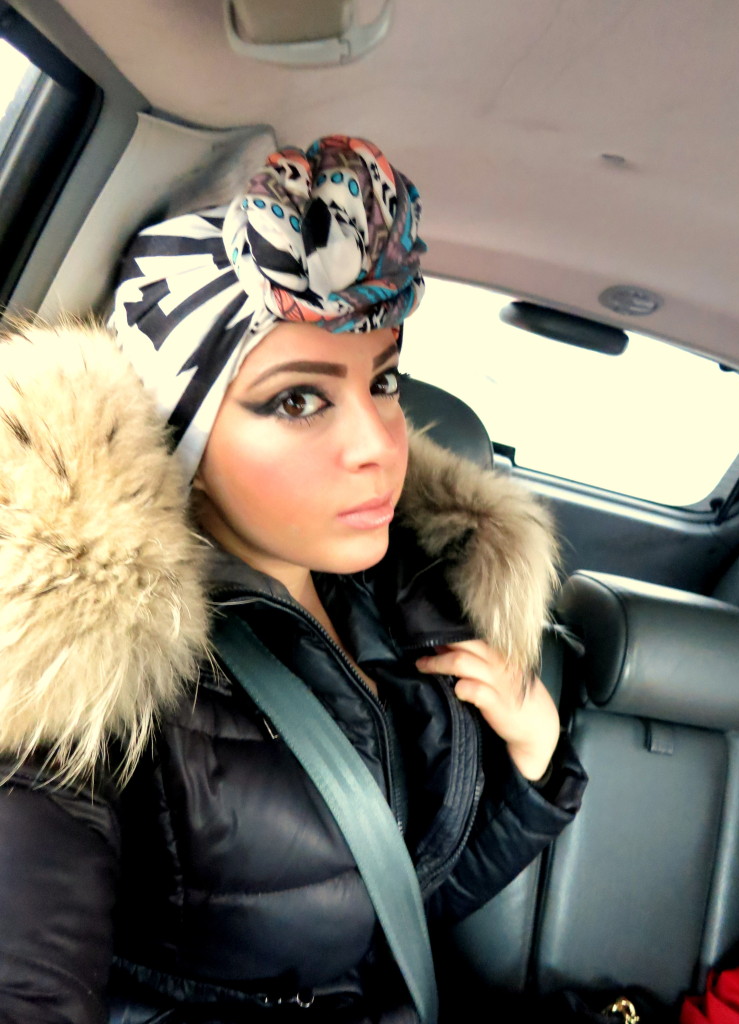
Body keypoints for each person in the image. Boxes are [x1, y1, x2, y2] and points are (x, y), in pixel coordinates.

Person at [0, 135, 586, 1024]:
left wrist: (536, 763)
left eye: (384, 381)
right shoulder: (91, 674)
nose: (378, 444)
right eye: (298, 399)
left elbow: (392, 911)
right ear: (181, 434)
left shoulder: (404, 598)